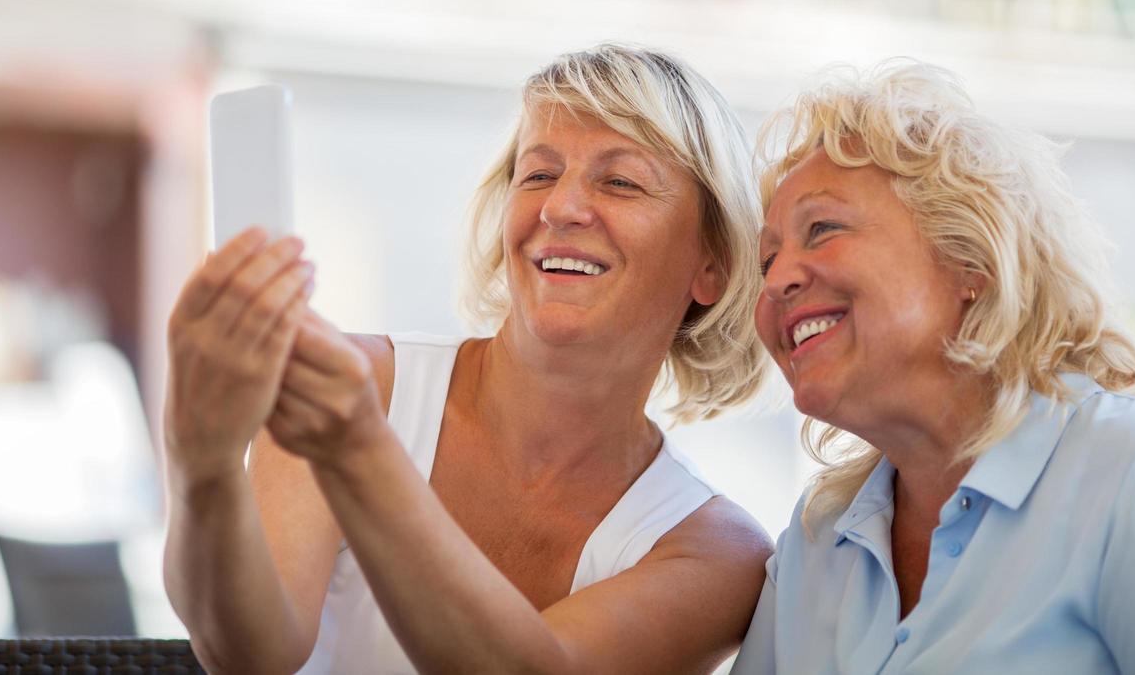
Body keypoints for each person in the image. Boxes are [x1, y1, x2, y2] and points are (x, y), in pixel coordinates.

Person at [162, 45, 773, 674]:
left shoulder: (716, 552)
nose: (559, 208)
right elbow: (248, 656)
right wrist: (200, 465)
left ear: (713, 264)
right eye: (538, 174)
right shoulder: (360, 386)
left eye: (620, 181)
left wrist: (357, 452)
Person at [733, 60, 1135, 674]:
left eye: (821, 229)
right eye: (767, 259)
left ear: (970, 259)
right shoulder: (816, 540)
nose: (776, 281)